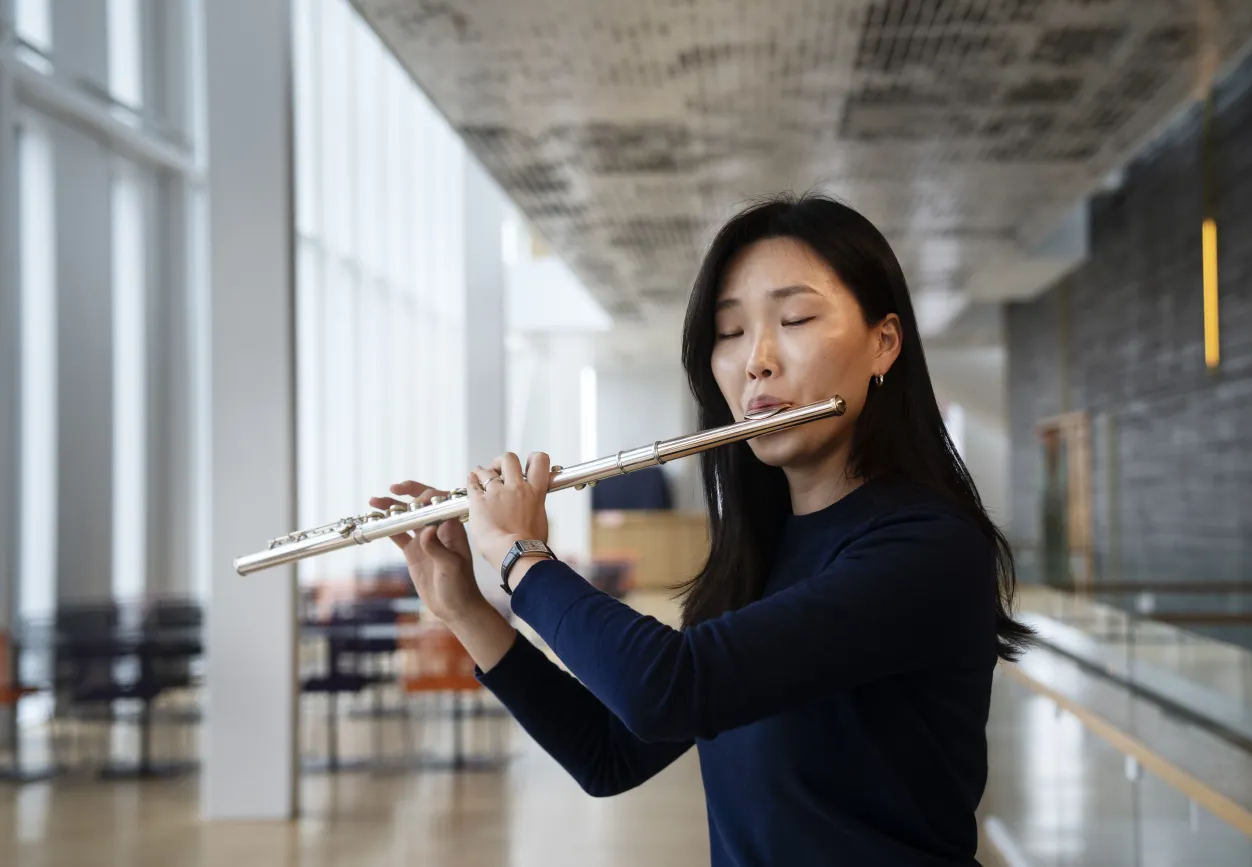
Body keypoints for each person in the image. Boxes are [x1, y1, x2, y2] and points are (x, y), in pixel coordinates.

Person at [370, 192, 1033, 867]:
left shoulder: (927, 547)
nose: (757, 361)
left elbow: (668, 688)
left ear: (883, 343)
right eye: (730, 332)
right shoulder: (763, 554)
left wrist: (522, 556)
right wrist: (463, 606)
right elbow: (610, 752)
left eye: (796, 317)